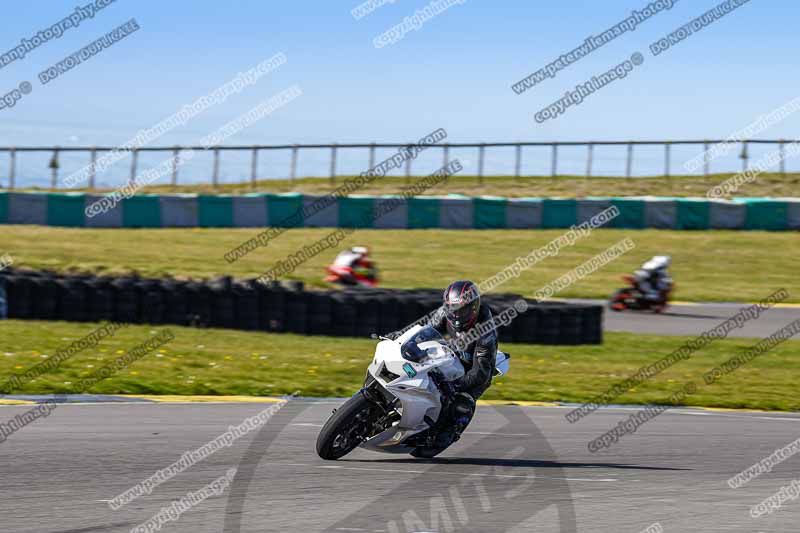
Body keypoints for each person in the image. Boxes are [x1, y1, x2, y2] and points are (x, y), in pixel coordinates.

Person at [428, 280, 498, 445]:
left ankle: (450, 431)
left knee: (461, 404)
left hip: (475, 368)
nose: (457, 314)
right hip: (452, 355)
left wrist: (455, 385)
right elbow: (426, 330)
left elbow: (480, 373)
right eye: (453, 309)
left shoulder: (486, 331)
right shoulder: (445, 312)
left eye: (463, 310)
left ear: (474, 308)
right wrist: (402, 336)